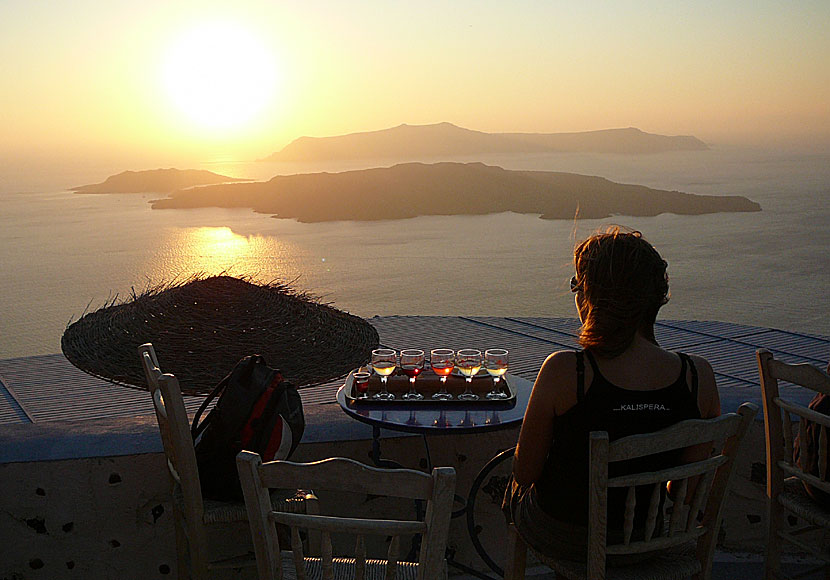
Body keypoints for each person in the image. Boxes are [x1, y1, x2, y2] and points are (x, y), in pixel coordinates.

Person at [504, 226, 721, 562]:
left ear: (593, 297)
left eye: (578, 286)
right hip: (647, 541)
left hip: (569, 540)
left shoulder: (566, 372)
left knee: (513, 494)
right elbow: (686, 492)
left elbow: (525, 473)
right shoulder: (699, 378)